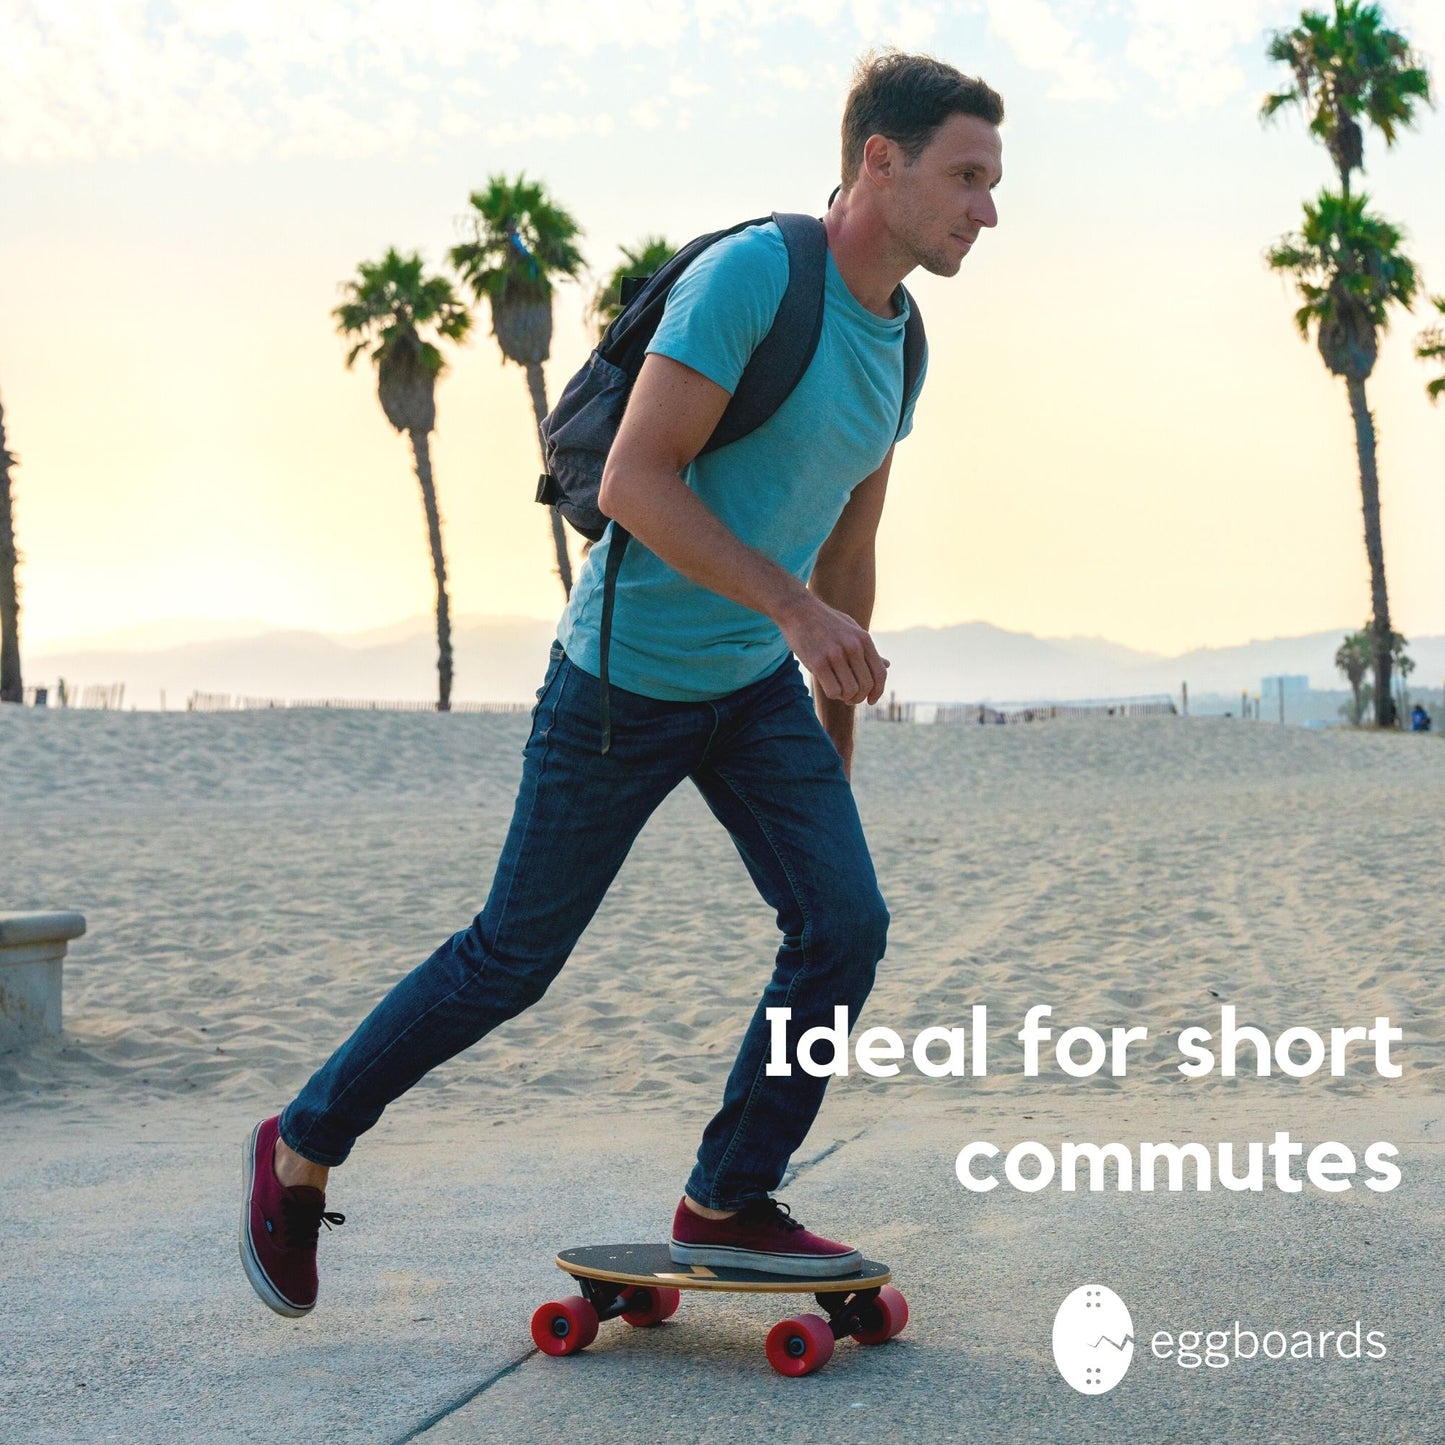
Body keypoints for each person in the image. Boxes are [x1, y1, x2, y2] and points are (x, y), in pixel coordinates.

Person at [240, 51, 1005, 1318]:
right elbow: (637, 484)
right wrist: (795, 610)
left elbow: (849, 550)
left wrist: (832, 745)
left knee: (844, 922)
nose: (986, 210)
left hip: (756, 690)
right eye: (966, 177)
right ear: (881, 159)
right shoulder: (755, 278)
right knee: (509, 958)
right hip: (618, 683)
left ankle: (727, 1194)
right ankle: (300, 1142)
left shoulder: (901, 344)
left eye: (991, 182)